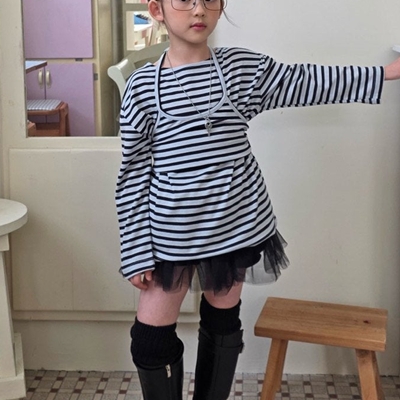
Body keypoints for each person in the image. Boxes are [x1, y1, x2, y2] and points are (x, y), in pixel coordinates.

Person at [115, 0, 400, 398]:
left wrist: (386, 72)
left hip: (236, 225)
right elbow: (132, 174)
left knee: (222, 323)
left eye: (209, 0)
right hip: (171, 234)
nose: (198, 10)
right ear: (157, 10)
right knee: (149, 342)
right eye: (184, 0)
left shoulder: (240, 69)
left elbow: (306, 81)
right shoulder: (142, 87)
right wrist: (135, 249)